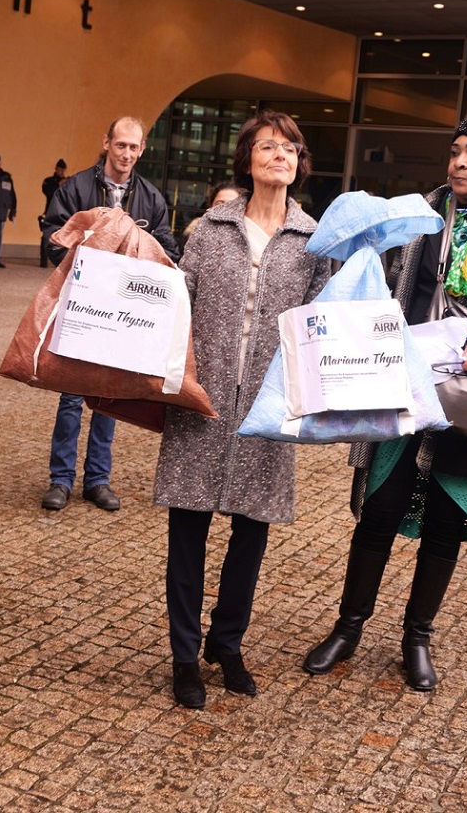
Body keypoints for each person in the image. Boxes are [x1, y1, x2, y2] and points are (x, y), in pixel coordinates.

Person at [304, 106, 467, 692]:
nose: (460, 162)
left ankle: (417, 638)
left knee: (445, 521)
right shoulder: (421, 212)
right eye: (455, 151)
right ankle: (348, 628)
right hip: (404, 385)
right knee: (380, 510)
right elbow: (378, 286)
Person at [153, 110, 331, 710]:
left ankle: (226, 644)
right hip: (202, 404)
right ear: (247, 160)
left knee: (251, 536)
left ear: (299, 162)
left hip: (268, 407)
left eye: (289, 147)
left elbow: (318, 328)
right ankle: (184, 657)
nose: (279, 154)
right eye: (267, 146)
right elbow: (180, 306)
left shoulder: (314, 242)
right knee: (188, 533)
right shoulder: (210, 230)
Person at [40, 116, 179, 513]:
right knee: (70, 395)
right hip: (81, 305)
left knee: (110, 396)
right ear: (107, 144)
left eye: (135, 148)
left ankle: (98, 480)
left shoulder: (150, 197)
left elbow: (166, 245)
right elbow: (53, 235)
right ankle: (60, 480)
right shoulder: (77, 187)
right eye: (121, 146)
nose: (127, 154)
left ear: (142, 149)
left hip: (125, 314)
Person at [181, 181, 241, 250]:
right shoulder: (195, 233)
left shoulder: (249, 237)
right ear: (210, 206)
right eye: (219, 204)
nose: (224, 209)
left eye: (231, 205)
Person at [39, 159, 68, 267]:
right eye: (59, 169)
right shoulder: (49, 181)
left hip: (63, 212)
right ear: (56, 169)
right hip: (50, 211)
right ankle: (43, 261)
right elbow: (48, 191)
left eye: (62, 169)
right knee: (46, 236)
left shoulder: (68, 182)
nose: (60, 171)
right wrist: (58, 185)